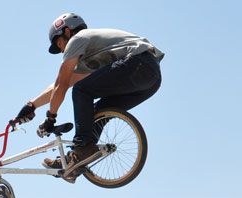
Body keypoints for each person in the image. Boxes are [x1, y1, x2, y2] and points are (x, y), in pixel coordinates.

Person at [14, 13, 164, 182]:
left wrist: (50, 118)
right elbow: (61, 85)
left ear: (67, 32)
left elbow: (61, 84)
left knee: (81, 91)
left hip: (138, 64)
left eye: (59, 43)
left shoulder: (78, 39)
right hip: (151, 79)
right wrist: (32, 105)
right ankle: (77, 160)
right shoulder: (91, 56)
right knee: (100, 110)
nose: (62, 50)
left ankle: (83, 148)